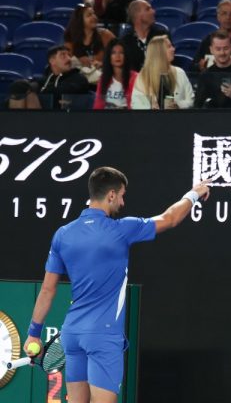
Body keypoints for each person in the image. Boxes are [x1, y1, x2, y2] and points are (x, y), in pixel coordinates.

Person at [23, 167, 209, 403]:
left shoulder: (62, 234)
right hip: (103, 335)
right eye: (121, 195)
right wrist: (193, 194)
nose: (122, 202)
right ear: (110, 195)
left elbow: (48, 290)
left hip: (72, 333)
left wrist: (33, 335)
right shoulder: (121, 229)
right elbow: (169, 218)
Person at [194, 30, 231, 109]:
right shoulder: (205, 75)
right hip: (213, 119)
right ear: (211, 50)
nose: (222, 53)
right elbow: (198, 106)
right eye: (218, 49)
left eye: (226, 48)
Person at [131, 35, 194, 109]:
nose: (173, 49)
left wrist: (178, 104)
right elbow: (136, 103)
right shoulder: (143, 77)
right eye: (169, 47)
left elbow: (191, 100)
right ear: (159, 52)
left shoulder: (180, 73)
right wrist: (150, 106)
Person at [63, 3, 116, 80]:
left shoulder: (105, 35)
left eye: (94, 14)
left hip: (102, 77)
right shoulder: (71, 39)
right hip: (78, 79)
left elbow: (119, 55)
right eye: (89, 15)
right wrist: (79, 62)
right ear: (80, 20)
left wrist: (102, 64)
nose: (94, 17)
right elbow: (66, 61)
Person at [121, 0, 168, 73]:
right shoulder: (126, 40)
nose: (153, 11)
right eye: (148, 9)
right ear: (137, 16)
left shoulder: (161, 35)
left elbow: (168, 61)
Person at [38, 45, 90, 110]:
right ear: (52, 61)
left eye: (69, 55)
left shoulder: (79, 79)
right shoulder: (46, 79)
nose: (69, 59)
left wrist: (40, 92)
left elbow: (61, 92)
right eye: (63, 55)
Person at [94, 39, 137, 109]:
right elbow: (98, 105)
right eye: (113, 53)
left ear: (125, 56)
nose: (118, 56)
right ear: (109, 57)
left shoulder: (134, 78)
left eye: (121, 53)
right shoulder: (103, 78)